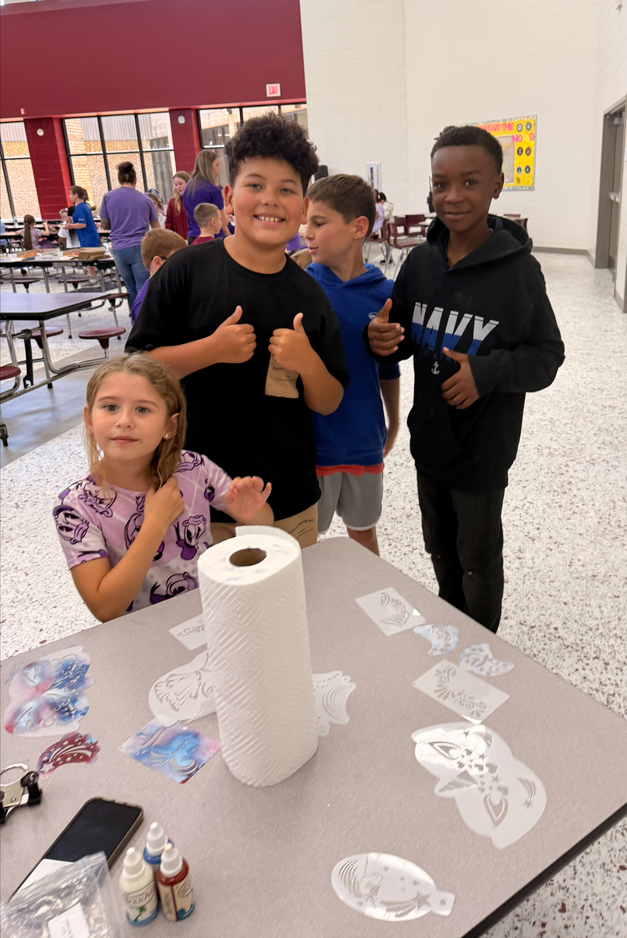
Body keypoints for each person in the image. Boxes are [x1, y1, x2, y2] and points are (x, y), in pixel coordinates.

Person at [366, 124, 565, 633]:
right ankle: (451, 628)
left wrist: (488, 372)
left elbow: (547, 356)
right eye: (440, 183)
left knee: (477, 558)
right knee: (440, 549)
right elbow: (407, 334)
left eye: (469, 182)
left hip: (482, 450)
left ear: (498, 184)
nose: (452, 197)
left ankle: (481, 644)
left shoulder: (518, 272)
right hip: (429, 441)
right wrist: (387, 339)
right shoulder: (421, 261)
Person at [127, 113, 349, 549]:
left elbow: (331, 399)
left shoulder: (311, 296)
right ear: (229, 196)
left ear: (303, 207)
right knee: (199, 613)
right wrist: (209, 350)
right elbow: (137, 371)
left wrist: (307, 364)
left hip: (284, 497)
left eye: (286, 189)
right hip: (192, 499)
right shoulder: (184, 272)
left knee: (288, 609)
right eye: (255, 185)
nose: (270, 200)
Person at [54, 354, 273, 622]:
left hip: (211, 615)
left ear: (170, 425)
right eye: (110, 407)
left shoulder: (195, 469)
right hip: (139, 634)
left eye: (142, 409)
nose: (124, 421)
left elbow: (266, 521)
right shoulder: (75, 507)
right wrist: (155, 524)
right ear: (89, 419)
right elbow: (105, 609)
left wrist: (252, 514)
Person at [304, 174, 400, 556]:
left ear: (359, 227)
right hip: (312, 445)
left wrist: (392, 422)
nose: (306, 233)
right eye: (306, 222)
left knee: (363, 535)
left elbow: (389, 366)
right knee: (305, 545)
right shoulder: (301, 289)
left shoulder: (386, 294)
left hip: (363, 439)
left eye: (319, 222)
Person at [100, 162, 159, 309]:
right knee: (143, 288)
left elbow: (105, 225)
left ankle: (134, 321)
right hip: (140, 246)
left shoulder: (108, 197)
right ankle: (145, 321)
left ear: (119, 179)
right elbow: (156, 228)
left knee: (131, 289)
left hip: (119, 248)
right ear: (135, 179)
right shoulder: (146, 199)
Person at [131, 228, 187, 324]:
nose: (185, 265)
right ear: (158, 262)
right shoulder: (146, 305)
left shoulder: (170, 288)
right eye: (179, 260)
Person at [183, 151, 232, 245]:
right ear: (208, 167)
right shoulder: (213, 190)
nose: (220, 168)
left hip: (193, 236)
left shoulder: (189, 187)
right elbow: (223, 221)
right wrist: (230, 236)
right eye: (217, 165)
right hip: (213, 238)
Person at [165, 172, 190, 240]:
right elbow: (169, 223)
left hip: (193, 238)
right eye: (176, 185)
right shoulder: (173, 202)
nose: (178, 187)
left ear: (188, 183)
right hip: (179, 240)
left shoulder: (194, 199)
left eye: (180, 184)